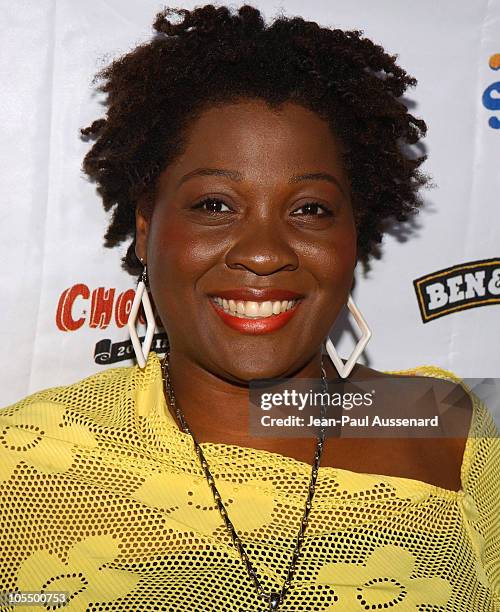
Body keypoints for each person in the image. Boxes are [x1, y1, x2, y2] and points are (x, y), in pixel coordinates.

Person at [0, 4, 498, 611]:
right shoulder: (21, 464)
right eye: (215, 205)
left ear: (354, 236)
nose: (264, 253)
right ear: (145, 225)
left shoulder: (439, 422)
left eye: (310, 208)